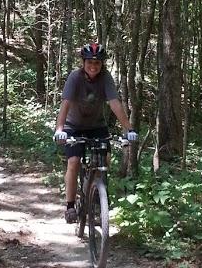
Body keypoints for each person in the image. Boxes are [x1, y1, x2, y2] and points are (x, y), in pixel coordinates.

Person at [53, 43, 138, 223]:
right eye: (90, 62)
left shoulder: (105, 78)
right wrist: (60, 129)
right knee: (74, 161)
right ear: (83, 62)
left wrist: (128, 129)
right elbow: (65, 103)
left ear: (102, 64)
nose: (93, 66)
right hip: (73, 125)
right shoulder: (75, 77)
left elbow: (114, 103)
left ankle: (96, 196)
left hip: (97, 126)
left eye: (97, 63)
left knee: (104, 160)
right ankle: (70, 206)